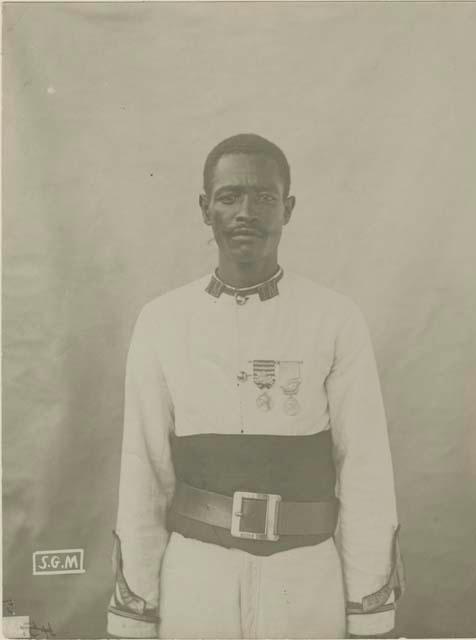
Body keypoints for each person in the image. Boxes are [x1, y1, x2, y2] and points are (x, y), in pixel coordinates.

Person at [106, 133, 405, 639]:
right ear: (205, 209)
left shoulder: (334, 319)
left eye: (265, 197)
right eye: (229, 197)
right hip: (196, 581)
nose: (247, 211)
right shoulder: (161, 322)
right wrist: (138, 612)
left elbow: (365, 469)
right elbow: (145, 472)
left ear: (288, 209)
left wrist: (367, 611)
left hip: (305, 580)